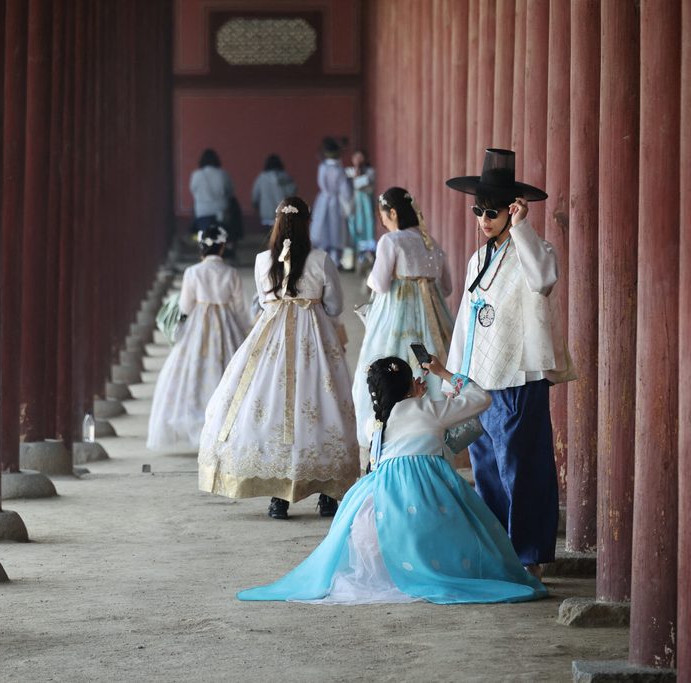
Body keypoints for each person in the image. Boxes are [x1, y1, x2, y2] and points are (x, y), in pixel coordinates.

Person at [237, 356, 547, 605]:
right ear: (411, 385)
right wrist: (444, 372)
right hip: (425, 501)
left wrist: (414, 396)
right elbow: (480, 399)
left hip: (377, 516)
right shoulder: (429, 409)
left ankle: (393, 567)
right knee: (470, 524)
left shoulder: (378, 424)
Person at [443, 148, 576, 578]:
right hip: (481, 377)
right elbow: (467, 317)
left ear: (513, 210)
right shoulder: (477, 259)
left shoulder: (535, 250)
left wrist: (522, 229)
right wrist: (455, 378)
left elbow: (543, 281)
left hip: (520, 375)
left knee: (523, 465)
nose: (484, 219)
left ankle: (531, 556)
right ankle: (500, 550)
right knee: (486, 469)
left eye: (493, 211)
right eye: (479, 210)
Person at [197, 197, 360, 520]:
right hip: (314, 341)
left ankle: (278, 497)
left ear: (275, 223)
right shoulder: (321, 259)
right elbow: (335, 306)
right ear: (308, 222)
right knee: (320, 407)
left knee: (273, 409)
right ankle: (327, 495)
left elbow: (262, 300)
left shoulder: (262, 261)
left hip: (270, 341)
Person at [351, 187, 453, 446]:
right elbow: (448, 287)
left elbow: (380, 283)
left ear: (393, 213)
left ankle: (392, 430)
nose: (382, 221)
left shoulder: (391, 241)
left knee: (390, 364)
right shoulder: (432, 242)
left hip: (398, 314)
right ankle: (439, 430)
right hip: (435, 319)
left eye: (383, 215)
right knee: (434, 366)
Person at [147, 225, 250, 451]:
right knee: (227, 371)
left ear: (202, 247)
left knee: (193, 372)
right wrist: (247, 333)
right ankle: (224, 425)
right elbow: (241, 308)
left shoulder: (192, 273)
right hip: (226, 324)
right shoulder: (231, 273)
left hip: (198, 325)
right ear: (222, 247)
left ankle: (195, 422)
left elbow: (185, 306)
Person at [309, 137, 352, 267]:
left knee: (322, 227)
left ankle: (322, 257)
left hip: (323, 199)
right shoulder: (339, 170)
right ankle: (335, 259)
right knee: (336, 229)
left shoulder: (322, 167)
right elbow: (346, 190)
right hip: (335, 201)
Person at [189, 148, 234, 233]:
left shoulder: (196, 175)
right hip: (221, 211)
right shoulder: (223, 174)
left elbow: (193, 190)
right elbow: (230, 191)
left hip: (202, 211)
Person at [345, 149, 377, 265]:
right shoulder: (348, 171)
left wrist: (357, 176)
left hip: (366, 205)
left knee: (368, 226)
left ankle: (367, 255)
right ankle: (354, 257)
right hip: (354, 205)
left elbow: (363, 183)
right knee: (353, 226)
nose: (358, 160)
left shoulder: (370, 171)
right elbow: (347, 184)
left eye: (360, 157)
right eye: (356, 157)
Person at [251, 154, 297, 229]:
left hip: (266, 213)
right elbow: (293, 191)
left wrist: (255, 206)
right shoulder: (285, 176)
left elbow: (255, 194)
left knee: (269, 236)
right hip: (283, 212)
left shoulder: (261, 178)